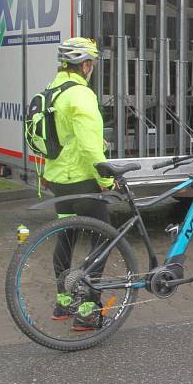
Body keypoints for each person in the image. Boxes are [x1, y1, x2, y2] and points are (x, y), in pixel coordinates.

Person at [45, 37, 114, 331]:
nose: (93, 69)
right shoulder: (81, 95)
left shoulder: (52, 90)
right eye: (93, 64)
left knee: (67, 235)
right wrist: (106, 178)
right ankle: (87, 308)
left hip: (58, 179)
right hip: (83, 179)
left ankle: (64, 300)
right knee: (106, 236)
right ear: (85, 64)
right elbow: (88, 146)